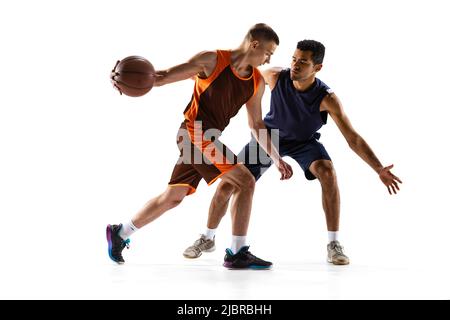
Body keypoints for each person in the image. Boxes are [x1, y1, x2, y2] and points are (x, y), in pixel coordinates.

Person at [183, 40, 402, 265]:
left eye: (303, 62)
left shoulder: (327, 98)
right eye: (294, 59)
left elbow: (352, 138)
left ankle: (334, 244)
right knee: (230, 183)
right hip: (270, 138)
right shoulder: (276, 77)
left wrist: (378, 168)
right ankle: (207, 238)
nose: (295, 65)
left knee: (327, 172)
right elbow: (243, 77)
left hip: (303, 142)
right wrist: (205, 76)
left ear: (317, 68)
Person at [107, 23, 293, 269]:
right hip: (194, 133)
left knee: (172, 197)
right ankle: (237, 253)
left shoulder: (256, 83)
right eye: (268, 52)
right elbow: (161, 77)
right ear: (255, 44)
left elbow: (257, 124)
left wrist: (276, 157)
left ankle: (120, 233)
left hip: (207, 139)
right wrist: (121, 77)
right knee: (245, 181)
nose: (269, 58)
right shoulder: (212, 60)